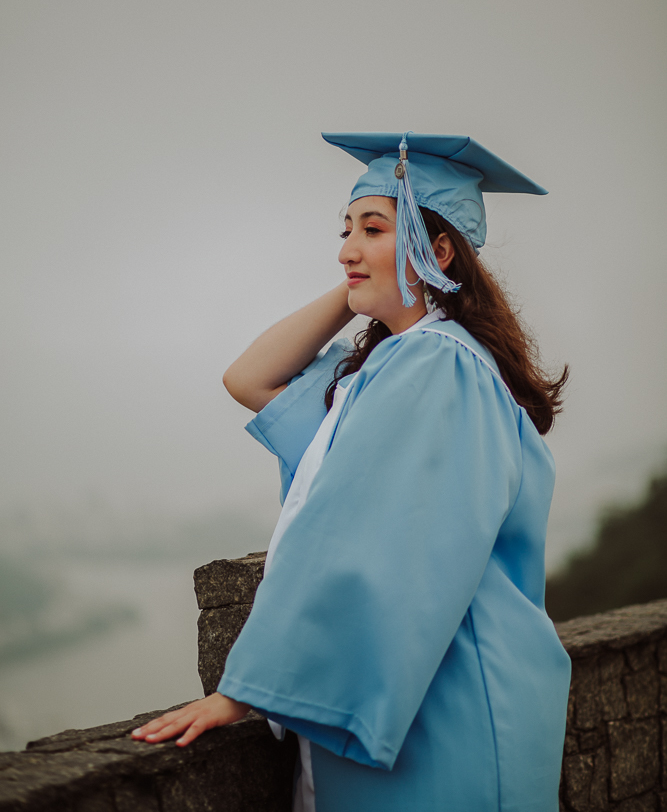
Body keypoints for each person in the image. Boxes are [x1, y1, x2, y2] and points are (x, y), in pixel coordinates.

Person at [133, 132, 571, 811]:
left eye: (372, 227)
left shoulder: (436, 366)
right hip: (428, 684)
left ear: (440, 249)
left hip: (450, 696)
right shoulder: (389, 368)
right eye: (344, 231)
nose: (345, 247)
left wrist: (245, 688)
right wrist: (364, 277)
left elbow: (373, 538)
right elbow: (248, 379)